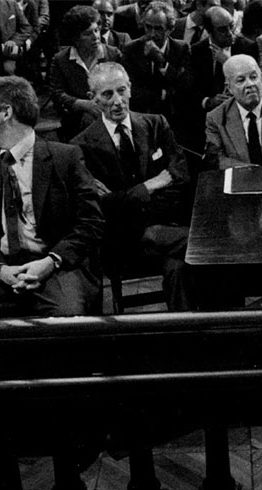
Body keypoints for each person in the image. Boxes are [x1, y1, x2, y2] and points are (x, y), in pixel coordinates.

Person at [72, 62, 194, 312]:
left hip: (166, 230)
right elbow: (101, 205)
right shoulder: (80, 146)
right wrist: (151, 185)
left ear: (130, 88)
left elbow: (180, 176)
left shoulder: (156, 124)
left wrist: (124, 199)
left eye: (122, 90)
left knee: (178, 267)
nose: (118, 101)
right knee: (203, 243)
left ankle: (186, 328)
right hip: (122, 240)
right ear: (93, 98)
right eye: (108, 94)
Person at [0, 77, 103, 316]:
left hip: (56, 264)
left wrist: (50, 262)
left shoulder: (65, 158)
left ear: (6, 113)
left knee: (65, 318)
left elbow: (92, 223)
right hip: (3, 264)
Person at [185, 6, 259, 150]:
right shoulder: (196, 51)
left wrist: (228, 62)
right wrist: (208, 101)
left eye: (231, 26)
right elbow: (190, 89)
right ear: (209, 31)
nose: (230, 33)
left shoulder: (248, 48)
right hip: (208, 121)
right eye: (222, 30)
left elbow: (255, 84)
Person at [50, 5, 122, 140]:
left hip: (111, 115)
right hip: (76, 122)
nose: (96, 37)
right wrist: (83, 104)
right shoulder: (61, 60)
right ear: (75, 38)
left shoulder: (113, 54)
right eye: (88, 34)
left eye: (96, 30)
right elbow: (57, 93)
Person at [122, 1, 190, 123]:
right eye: (148, 27)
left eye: (158, 29)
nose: (152, 34)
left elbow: (184, 88)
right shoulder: (131, 49)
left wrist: (161, 62)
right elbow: (132, 91)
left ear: (170, 29)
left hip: (173, 117)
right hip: (141, 116)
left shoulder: (181, 49)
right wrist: (162, 95)